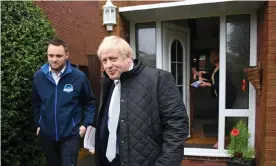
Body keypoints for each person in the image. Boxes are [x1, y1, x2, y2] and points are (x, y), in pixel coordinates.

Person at [94, 36, 189, 166]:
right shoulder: (108, 84)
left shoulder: (159, 79)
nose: (108, 65)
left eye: (113, 59)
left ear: (128, 57)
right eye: (104, 61)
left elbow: (177, 126)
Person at [32, 37, 96, 166]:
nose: (54, 59)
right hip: (47, 134)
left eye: (58, 56)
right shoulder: (39, 76)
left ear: (67, 55)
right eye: (51, 55)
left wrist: (85, 125)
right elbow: (36, 102)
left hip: (71, 135)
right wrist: (38, 124)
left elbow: (90, 102)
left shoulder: (78, 77)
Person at [198, 49, 237, 148]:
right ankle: (225, 138)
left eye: (211, 57)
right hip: (222, 96)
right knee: (221, 117)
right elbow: (212, 75)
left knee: (222, 117)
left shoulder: (223, 69)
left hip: (228, 96)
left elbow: (222, 85)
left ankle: (223, 140)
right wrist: (200, 74)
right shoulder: (217, 68)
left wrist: (207, 84)